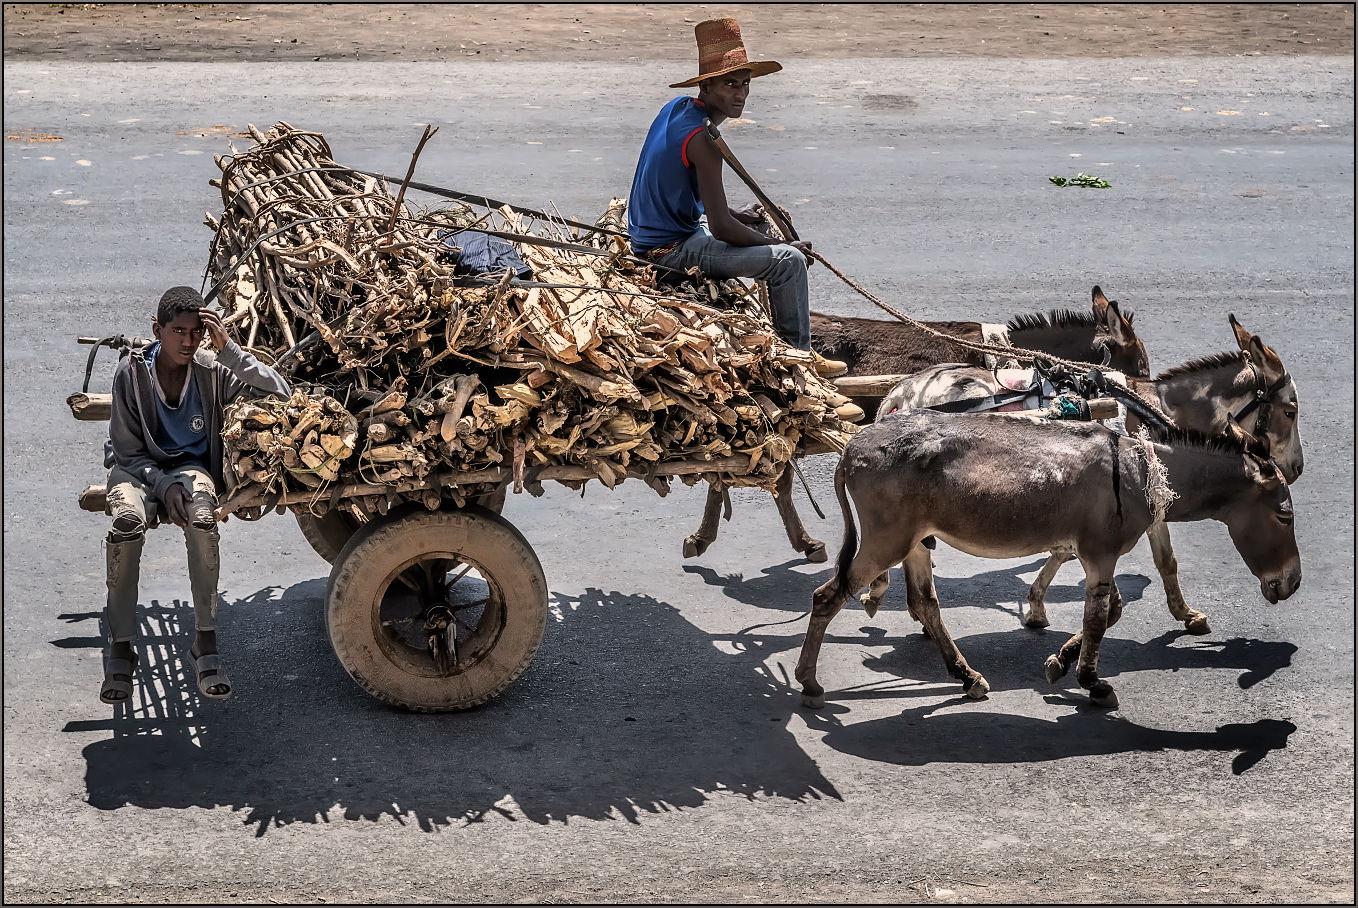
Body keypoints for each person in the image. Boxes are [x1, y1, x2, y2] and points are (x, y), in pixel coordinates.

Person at [628, 17, 861, 414]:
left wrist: (738, 213)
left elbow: (686, 192)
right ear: (707, 86)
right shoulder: (703, 139)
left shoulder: (678, 110)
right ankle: (799, 370)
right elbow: (719, 227)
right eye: (729, 84)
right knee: (787, 264)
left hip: (659, 235)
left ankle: (794, 355)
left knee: (762, 236)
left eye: (745, 83)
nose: (740, 94)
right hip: (669, 251)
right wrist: (781, 245)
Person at [100, 286, 290, 704]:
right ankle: (121, 648)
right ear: (157, 330)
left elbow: (281, 395)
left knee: (204, 521)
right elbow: (127, 453)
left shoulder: (211, 371)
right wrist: (162, 484)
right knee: (126, 526)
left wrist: (232, 353)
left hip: (190, 472)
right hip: (135, 471)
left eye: (196, 332)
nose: (188, 342)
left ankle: (205, 642)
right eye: (177, 331)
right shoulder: (130, 374)